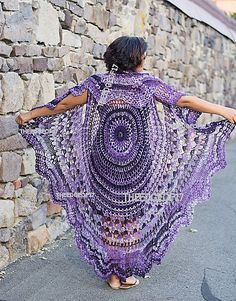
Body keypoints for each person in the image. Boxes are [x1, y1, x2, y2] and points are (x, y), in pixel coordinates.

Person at [16, 36, 236, 290]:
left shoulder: (99, 84)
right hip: (136, 160)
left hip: (104, 158)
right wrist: (224, 110)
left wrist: (31, 114)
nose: (146, 58)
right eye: (143, 54)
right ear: (135, 57)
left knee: (110, 213)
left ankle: (112, 274)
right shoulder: (147, 84)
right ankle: (125, 272)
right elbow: (183, 101)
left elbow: (64, 104)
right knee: (130, 215)